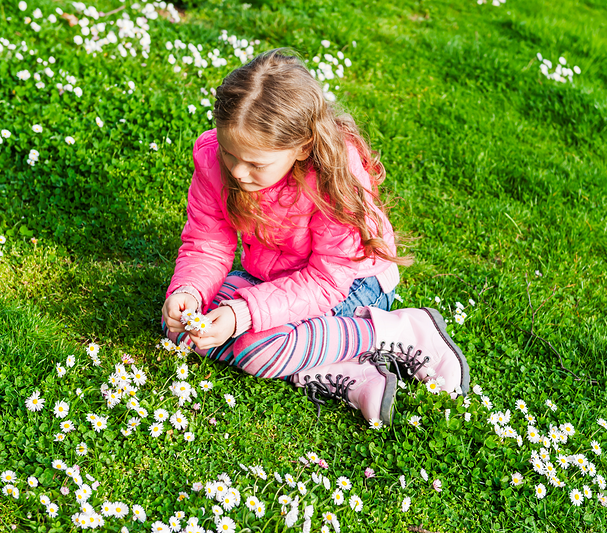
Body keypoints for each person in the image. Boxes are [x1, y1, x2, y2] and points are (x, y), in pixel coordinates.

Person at [161, 49, 469, 427]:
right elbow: (208, 244)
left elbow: (326, 281)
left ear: (302, 146)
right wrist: (188, 293)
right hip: (277, 277)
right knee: (185, 326)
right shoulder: (212, 161)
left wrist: (242, 314)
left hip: (354, 285)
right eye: (230, 154)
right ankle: (345, 372)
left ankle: (395, 331)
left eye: (256, 164)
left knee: (256, 345)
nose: (238, 172)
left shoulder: (331, 177)